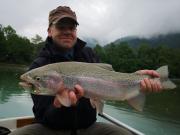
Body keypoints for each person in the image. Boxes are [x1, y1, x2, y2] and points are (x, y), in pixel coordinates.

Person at [10, 6, 162, 135]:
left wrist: (137, 78)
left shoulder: (88, 54)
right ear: (50, 31)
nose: (67, 31)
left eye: (71, 27)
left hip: (88, 128)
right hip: (50, 129)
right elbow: (44, 117)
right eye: (61, 27)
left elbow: (113, 80)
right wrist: (58, 105)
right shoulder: (39, 66)